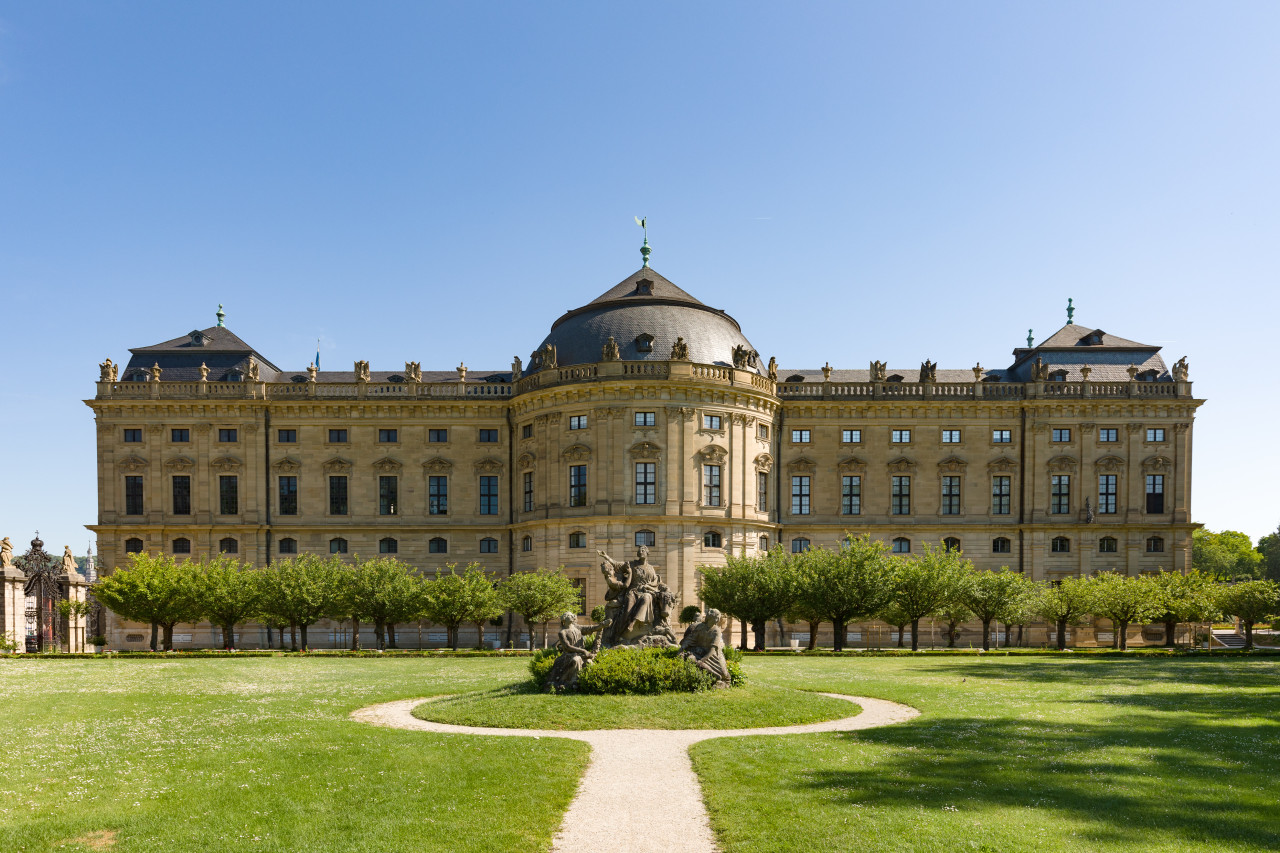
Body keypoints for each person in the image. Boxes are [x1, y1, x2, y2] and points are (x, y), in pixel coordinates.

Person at [598, 545, 661, 646]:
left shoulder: (651, 568)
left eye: (643, 550)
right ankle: (619, 633)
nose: (641, 551)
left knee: (647, 597)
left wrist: (648, 586)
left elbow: (655, 581)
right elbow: (617, 565)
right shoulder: (632, 564)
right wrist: (607, 557)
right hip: (633, 591)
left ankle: (633, 622)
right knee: (627, 609)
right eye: (639, 550)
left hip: (646, 591)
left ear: (647, 553)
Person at [545, 612, 606, 692]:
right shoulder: (562, 632)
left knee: (589, 662)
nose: (573, 616)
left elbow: (590, 628)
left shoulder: (577, 628)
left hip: (581, 655)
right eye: (570, 615)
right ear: (564, 619)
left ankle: (590, 683)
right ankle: (573, 683)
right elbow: (567, 647)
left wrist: (601, 626)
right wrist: (583, 650)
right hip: (568, 656)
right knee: (576, 660)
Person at [679, 608, 731, 684]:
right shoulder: (700, 627)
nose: (717, 620)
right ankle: (711, 679)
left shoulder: (716, 631)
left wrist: (702, 660)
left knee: (724, 674)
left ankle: (724, 681)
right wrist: (682, 648)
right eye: (716, 617)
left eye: (718, 618)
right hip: (698, 652)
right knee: (691, 659)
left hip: (712, 655)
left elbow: (713, 650)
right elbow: (691, 639)